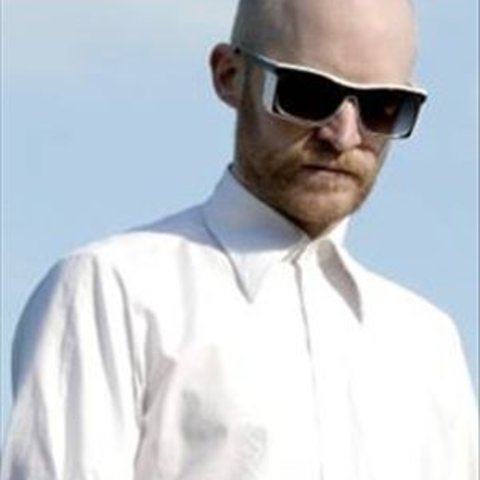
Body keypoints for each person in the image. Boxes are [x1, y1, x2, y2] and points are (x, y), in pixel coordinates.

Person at [1, 0, 477, 478]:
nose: (344, 135)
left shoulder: (428, 346)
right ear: (229, 75)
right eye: (308, 94)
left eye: (383, 107)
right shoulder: (112, 292)